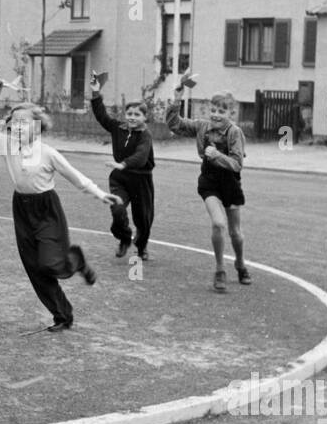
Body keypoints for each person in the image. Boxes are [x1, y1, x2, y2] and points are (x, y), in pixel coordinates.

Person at [0, 82, 120, 332]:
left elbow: (77, 178)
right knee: (35, 268)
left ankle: (76, 260)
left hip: (47, 210)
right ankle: (62, 315)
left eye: (25, 122)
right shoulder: (8, 145)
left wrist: (101, 194)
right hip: (21, 208)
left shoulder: (48, 153)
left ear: (38, 126)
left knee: (51, 264)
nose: (18, 126)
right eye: (14, 122)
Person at [167, 87, 250, 293]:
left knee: (235, 233)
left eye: (221, 112)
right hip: (209, 181)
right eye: (213, 110)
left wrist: (215, 155)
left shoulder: (234, 132)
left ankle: (240, 263)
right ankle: (220, 269)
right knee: (218, 224)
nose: (216, 115)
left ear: (230, 114)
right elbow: (175, 124)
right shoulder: (202, 126)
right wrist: (177, 99)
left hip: (230, 182)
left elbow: (237, 164)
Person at [89, 77, 155, 260]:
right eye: (130, 114)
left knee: (143, 219)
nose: (132, 118)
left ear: (144, 117)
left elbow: (142, 156)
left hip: (141, 179)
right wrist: (96, 93)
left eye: (137, 115)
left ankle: (141, 247)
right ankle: (125, 238)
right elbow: (101, 115)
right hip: (120, 178)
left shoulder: (145, 135)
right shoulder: (118, 128)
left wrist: (123, 164)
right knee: (117, 210)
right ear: (125, 115)